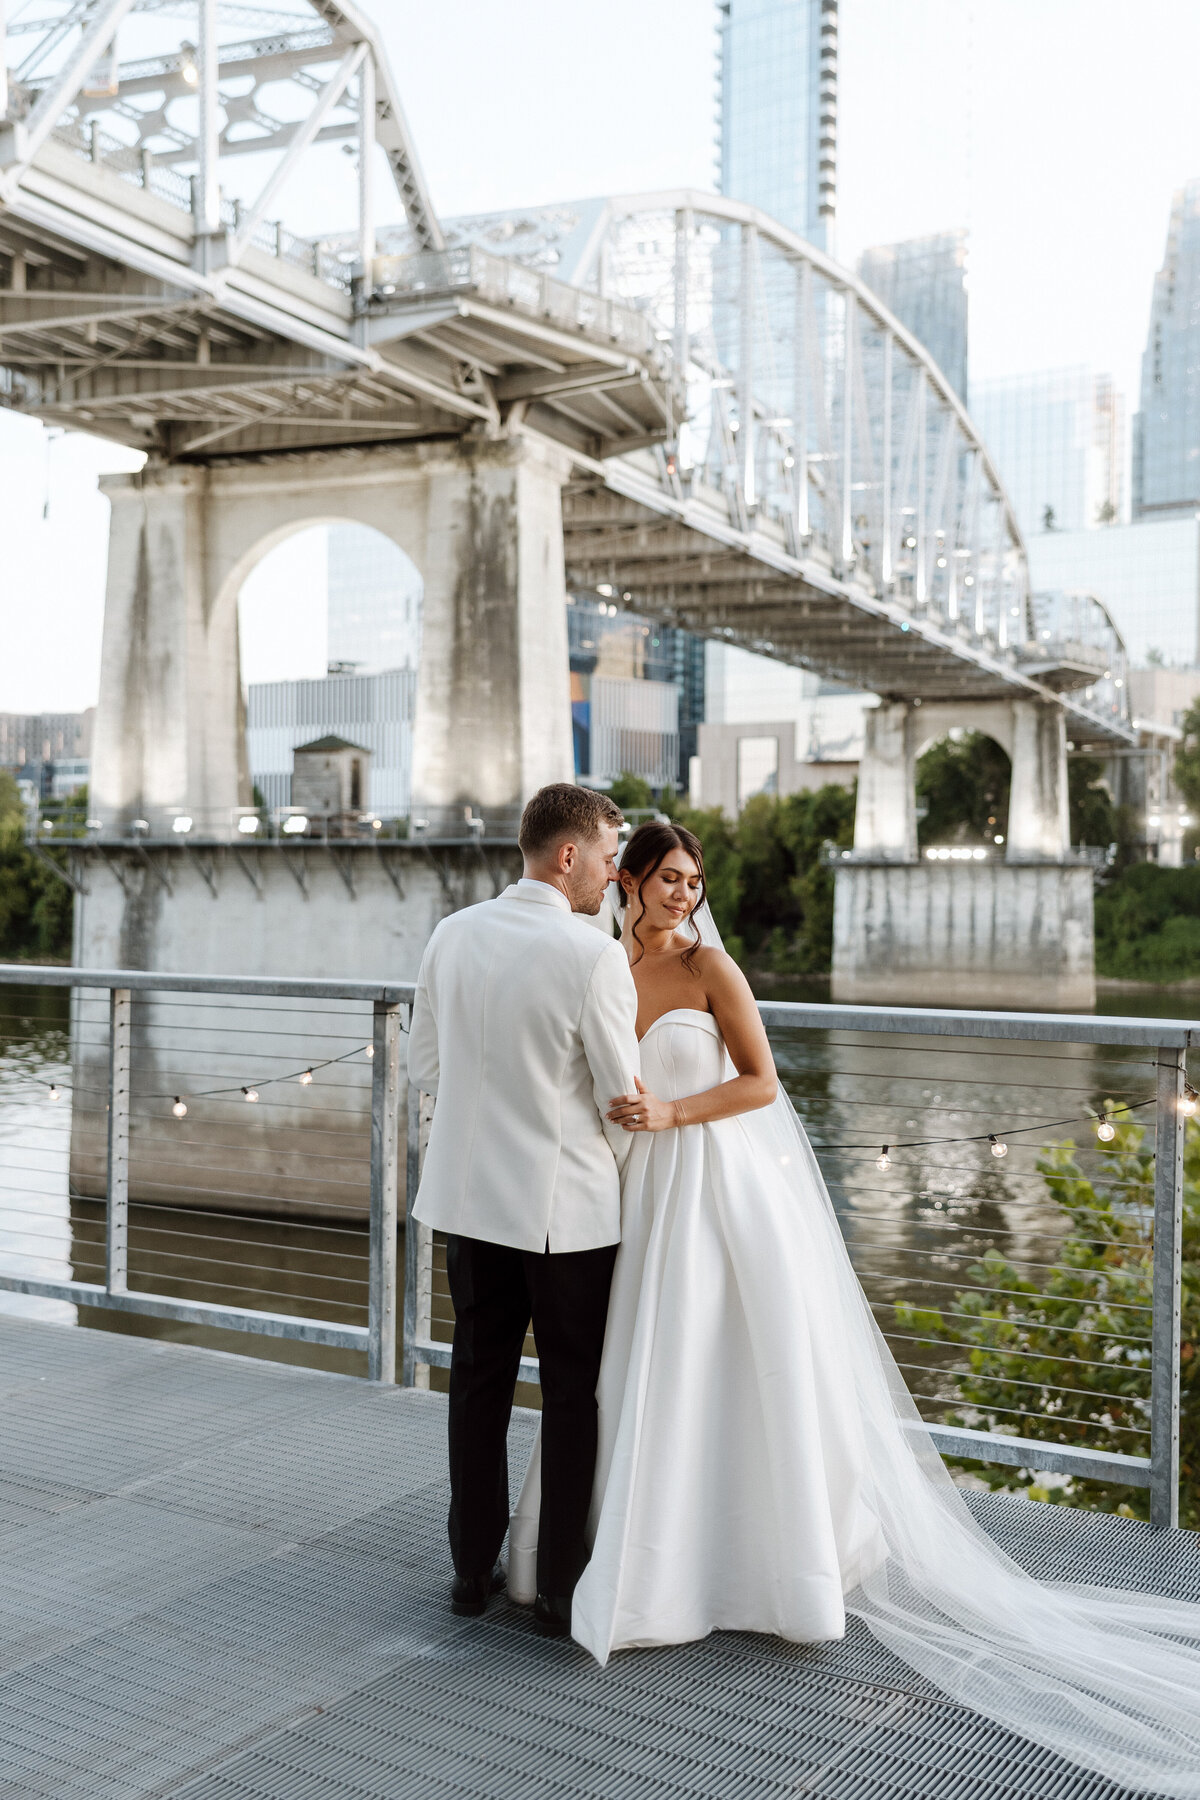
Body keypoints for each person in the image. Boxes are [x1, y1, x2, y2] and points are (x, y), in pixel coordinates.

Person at [509, 820, 1200, 1798]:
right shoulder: (600, 967)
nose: (683, 895)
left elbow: (761, 1083)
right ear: (625, 880)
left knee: (729, 1362)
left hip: (720, 1190)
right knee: (633, 1368)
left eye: (693, 881)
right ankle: (624, 1553)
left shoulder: (711, 969)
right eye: (667, 878)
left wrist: (669, 1112)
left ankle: (752, 1564)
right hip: (636, 1194)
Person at [407, 783, 639, 1638]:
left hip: (468, 1204)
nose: (614, 877)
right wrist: (617, 1176)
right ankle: (556, 1591)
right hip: (563, 1215)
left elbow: (425, 1068)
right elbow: (622, 1101)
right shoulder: (593, 955)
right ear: (568, 855)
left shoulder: (452, 933)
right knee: (571, 1394)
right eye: (609, 858)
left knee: (478, 1383)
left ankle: (470, 1570)